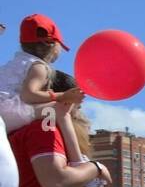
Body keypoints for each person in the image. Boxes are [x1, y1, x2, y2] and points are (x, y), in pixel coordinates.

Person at [0, 15, 88, 174]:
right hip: (7, 113)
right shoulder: (39, 67)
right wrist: (62, 96)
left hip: (5, 114)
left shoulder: (16, 62)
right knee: (61, 110)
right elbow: (29, 95)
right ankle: (78, 162)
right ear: (51, 44)